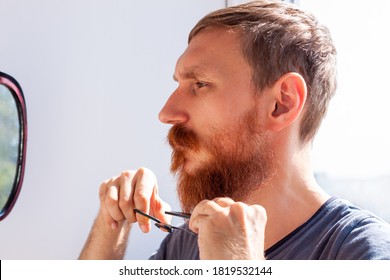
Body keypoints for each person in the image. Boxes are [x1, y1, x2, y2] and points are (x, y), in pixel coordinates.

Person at [79, 0, 390, 260]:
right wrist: (112, 226)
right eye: (180, 84)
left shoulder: (362, 254)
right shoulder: (190, 239)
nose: (166, 113)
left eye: (200, 84)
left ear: (282, 103)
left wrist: (238, 266)